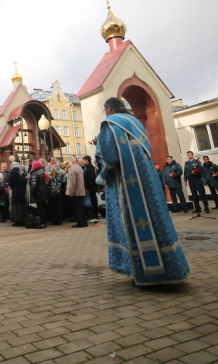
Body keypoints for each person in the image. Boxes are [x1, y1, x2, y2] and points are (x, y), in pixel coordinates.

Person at [96, 97, 189, 286]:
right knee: (155, 218)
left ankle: (145, 272)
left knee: (132, 221)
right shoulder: (136, 123)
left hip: (127, 183)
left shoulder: (110, 124)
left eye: (105, 109)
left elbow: (110, 157)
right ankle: (170, 269)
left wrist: (103, 174)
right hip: (147, 181)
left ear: (109, 108)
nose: (105, 113)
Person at [28, 160, 49, 229]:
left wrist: (32, 196)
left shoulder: (35, 173)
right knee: (43, 209)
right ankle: (44, 222)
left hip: (38, 194)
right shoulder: (41, 172)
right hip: (43, 193)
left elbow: (33, 186)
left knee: (40, 209)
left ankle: (42, 223)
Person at [67, 157, 87, 227]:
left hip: (76, 192)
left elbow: (72, 182)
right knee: (82, 207)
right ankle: (84, 222)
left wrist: (71, 192)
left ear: (72, 161)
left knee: (77, 208)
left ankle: (80, 222)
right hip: (81, 190)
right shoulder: (79, 168)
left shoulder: (72, 169)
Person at [8, 162, 27, 227]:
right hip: (21, 191)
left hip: (16, 191)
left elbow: (13, 181)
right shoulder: (19, 173)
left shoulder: (14, 171)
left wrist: (9, 184)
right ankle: (22, 220)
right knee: (21, 206)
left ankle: (18, 220)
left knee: (16, 206)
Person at [81, 155, 99, 222]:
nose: (83, 161)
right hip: (91, 187)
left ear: (87, 161)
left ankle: (95, 216)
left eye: (84, 160)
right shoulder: (88, 168)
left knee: (93, 201)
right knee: (92, 201)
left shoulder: (90, 168)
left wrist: (88, 188)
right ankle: (94, 216)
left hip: (91, 187)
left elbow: (90, 179)